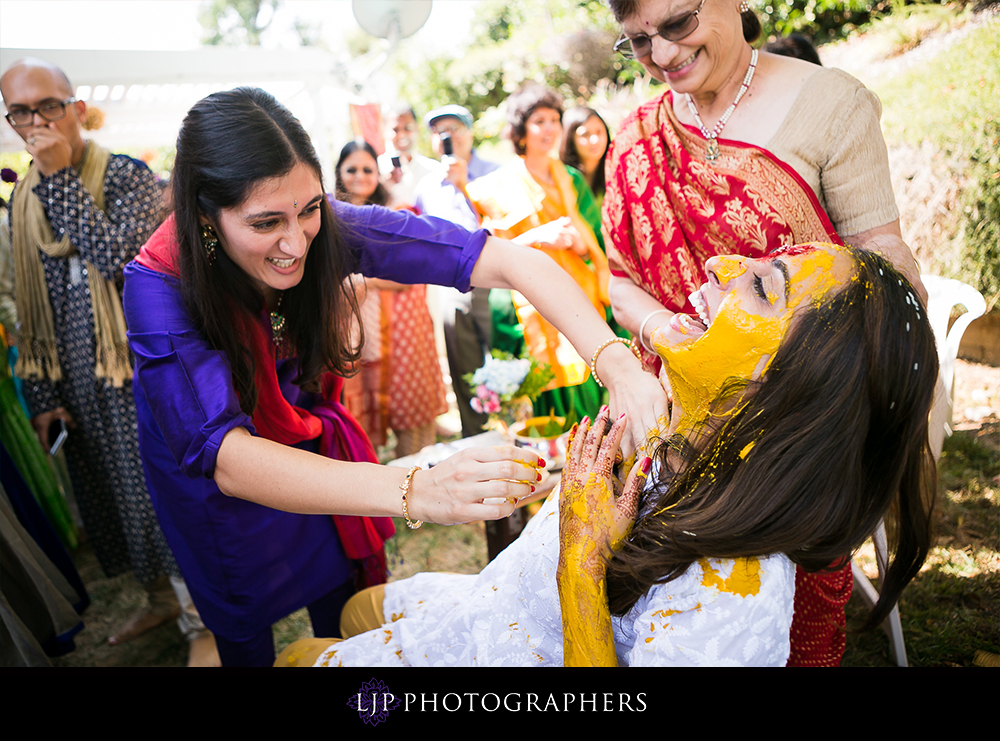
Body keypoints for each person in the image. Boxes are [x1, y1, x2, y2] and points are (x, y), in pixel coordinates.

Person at [121, 87, 659, 667]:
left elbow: (507, 259)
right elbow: (225, 457)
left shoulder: (327, 224)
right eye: (265, 223)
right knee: (243, 623)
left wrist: (617, 364)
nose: (296, 242)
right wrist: (419, 490)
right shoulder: (157, 284)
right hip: (222, 483)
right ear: (205, 215)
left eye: (308, 210)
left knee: (347, 616)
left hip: (314, 450)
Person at [277, 244, 937, 667]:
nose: (720, 264)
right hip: (488, 613)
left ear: (793, 393)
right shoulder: (676, 431)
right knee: (355, 611)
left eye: (763, 288)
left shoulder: (733, 599)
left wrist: (584, 563)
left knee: (298, 656)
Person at [601, 0, 926, 666]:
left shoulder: (830, 106)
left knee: (786, 629)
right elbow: (616, 278)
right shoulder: (638, 136)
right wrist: (671, 330)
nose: (661, 58)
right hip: (679, 421)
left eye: (677, 25)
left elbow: (884, 277)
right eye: (636, 42)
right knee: (660, 616)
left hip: (794, 441)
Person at [0, 57, 215, 664]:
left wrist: (62, 177)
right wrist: (45, 397)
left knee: (155, 494)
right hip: (74, 376)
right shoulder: (21, 199)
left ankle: (201, 616)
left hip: (136, 370)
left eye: (48, 106)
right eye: (21, 111)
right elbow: (26, 303)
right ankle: (161, 600)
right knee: (111, 502)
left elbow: (119, 257)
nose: (36, 121)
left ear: (75, 108)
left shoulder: (123, 174)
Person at [466, 84, 612, 423]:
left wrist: (579, 245)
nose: (549, 129)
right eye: (539, 121)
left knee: (591, 392)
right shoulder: (494, 187)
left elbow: (600, 244)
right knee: (545, 402)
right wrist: (537, 237)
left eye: (554, 120)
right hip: (529, 308)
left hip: (581, 298)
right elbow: (483, 251)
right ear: (521, 131)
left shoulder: (572, 180)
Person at [334, 139, 447, 457]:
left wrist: (359, 281)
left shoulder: (395, 212)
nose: (360, 176)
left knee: (410, 412)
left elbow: (405, 274)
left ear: (378, 173)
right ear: (338, 173)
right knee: (359, 423)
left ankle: (418, 486)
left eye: (368, 169)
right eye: (351, 169)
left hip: (400, 326)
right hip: (353, 329)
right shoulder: (327, 218)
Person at [415, 105, 500, 438]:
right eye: (438, 132)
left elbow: (502, 228)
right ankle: (477, 439)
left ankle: (521, 431)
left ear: (470, 132)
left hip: (499, 283)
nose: (447, 136)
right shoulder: (426, 187)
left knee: (508, 357)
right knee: (464, 367)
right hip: (451, 285)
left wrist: (465, 186)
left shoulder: (495, 173)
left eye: (454, 128)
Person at [376, 103, 437, 210]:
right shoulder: (374, 170)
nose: (402, 135)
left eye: (407, 128)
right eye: (395, 130)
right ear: (385, 130)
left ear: (417, 128)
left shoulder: (433, 169)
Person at [559, 106, 611, 208]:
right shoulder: (560, 176)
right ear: (569, 138)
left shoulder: (616, 174)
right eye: (585, 134)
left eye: (599, 132)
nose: (594, 140)